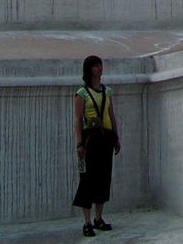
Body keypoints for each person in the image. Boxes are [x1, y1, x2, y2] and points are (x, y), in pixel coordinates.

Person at [72, 55, 121, 236]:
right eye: (95, 66)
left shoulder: (107, 91)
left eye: (100, 65)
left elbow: (111, 115)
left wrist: (116, 136)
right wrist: (79, 143)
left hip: (106, 137)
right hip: (90, 138)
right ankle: (86, 221)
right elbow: (78, 120)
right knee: (88, 179)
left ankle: (98, 218)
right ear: (89, 69)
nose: (99, 68)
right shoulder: (81, 94)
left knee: (103, 177)